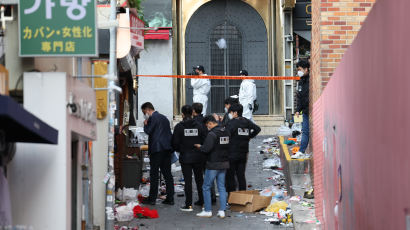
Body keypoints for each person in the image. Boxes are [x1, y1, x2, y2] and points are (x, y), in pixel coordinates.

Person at [172, 105, 207, 211]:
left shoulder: (179, 126)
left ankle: (188, 204)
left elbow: (174, 143)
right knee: (199, 179)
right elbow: (205, 139)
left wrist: (181, 149)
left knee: (187, 181)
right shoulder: (200, 126)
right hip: (198, 156)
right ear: (192, 113)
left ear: (182, 114)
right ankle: (202, 201)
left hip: (185, 156)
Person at [194, 116, 230, 218]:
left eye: (207, 125)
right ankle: (222, 210)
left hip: (213, 164)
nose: (207, 127)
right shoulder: (226, 131)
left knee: (206, 187)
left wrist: (200, 146)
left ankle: (208, 210)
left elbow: (206, 149)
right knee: (222, 187)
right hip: (224, 163)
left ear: (210, 123)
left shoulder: (212, 134)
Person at [141, 102, 174, 205]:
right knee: (167, 174)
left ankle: (152, 199)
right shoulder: (164, 118)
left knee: (154, 174)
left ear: (147, 110)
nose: (144, 114)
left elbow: (149, 131)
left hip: (156, 149)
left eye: (144, 112)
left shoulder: (152, 118)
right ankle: (170, 198)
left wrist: (145, 125)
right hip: (167, 148)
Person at [225, 103, 261, 193]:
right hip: (243, 153)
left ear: (235, 113)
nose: (230, 114)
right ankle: (242, 195)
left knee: (231, 176)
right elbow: (257, 129)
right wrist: (249, 136)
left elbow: (226, 135)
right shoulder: (246, 121)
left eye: (231, 112)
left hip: (232, 153)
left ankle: (232, 197)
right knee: (241, 175)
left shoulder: (231, 123)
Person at [292, 60, 310, 159]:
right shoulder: (301, 81)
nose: (298, 72)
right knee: (305, 131)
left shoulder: (310, 81)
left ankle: (302, 151)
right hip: (305, 111)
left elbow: (306, 97)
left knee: (306, 131)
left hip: (310, 110)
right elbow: (299, 96)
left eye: (300, 69)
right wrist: (298, 110)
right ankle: (302, 151)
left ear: (306, 69)